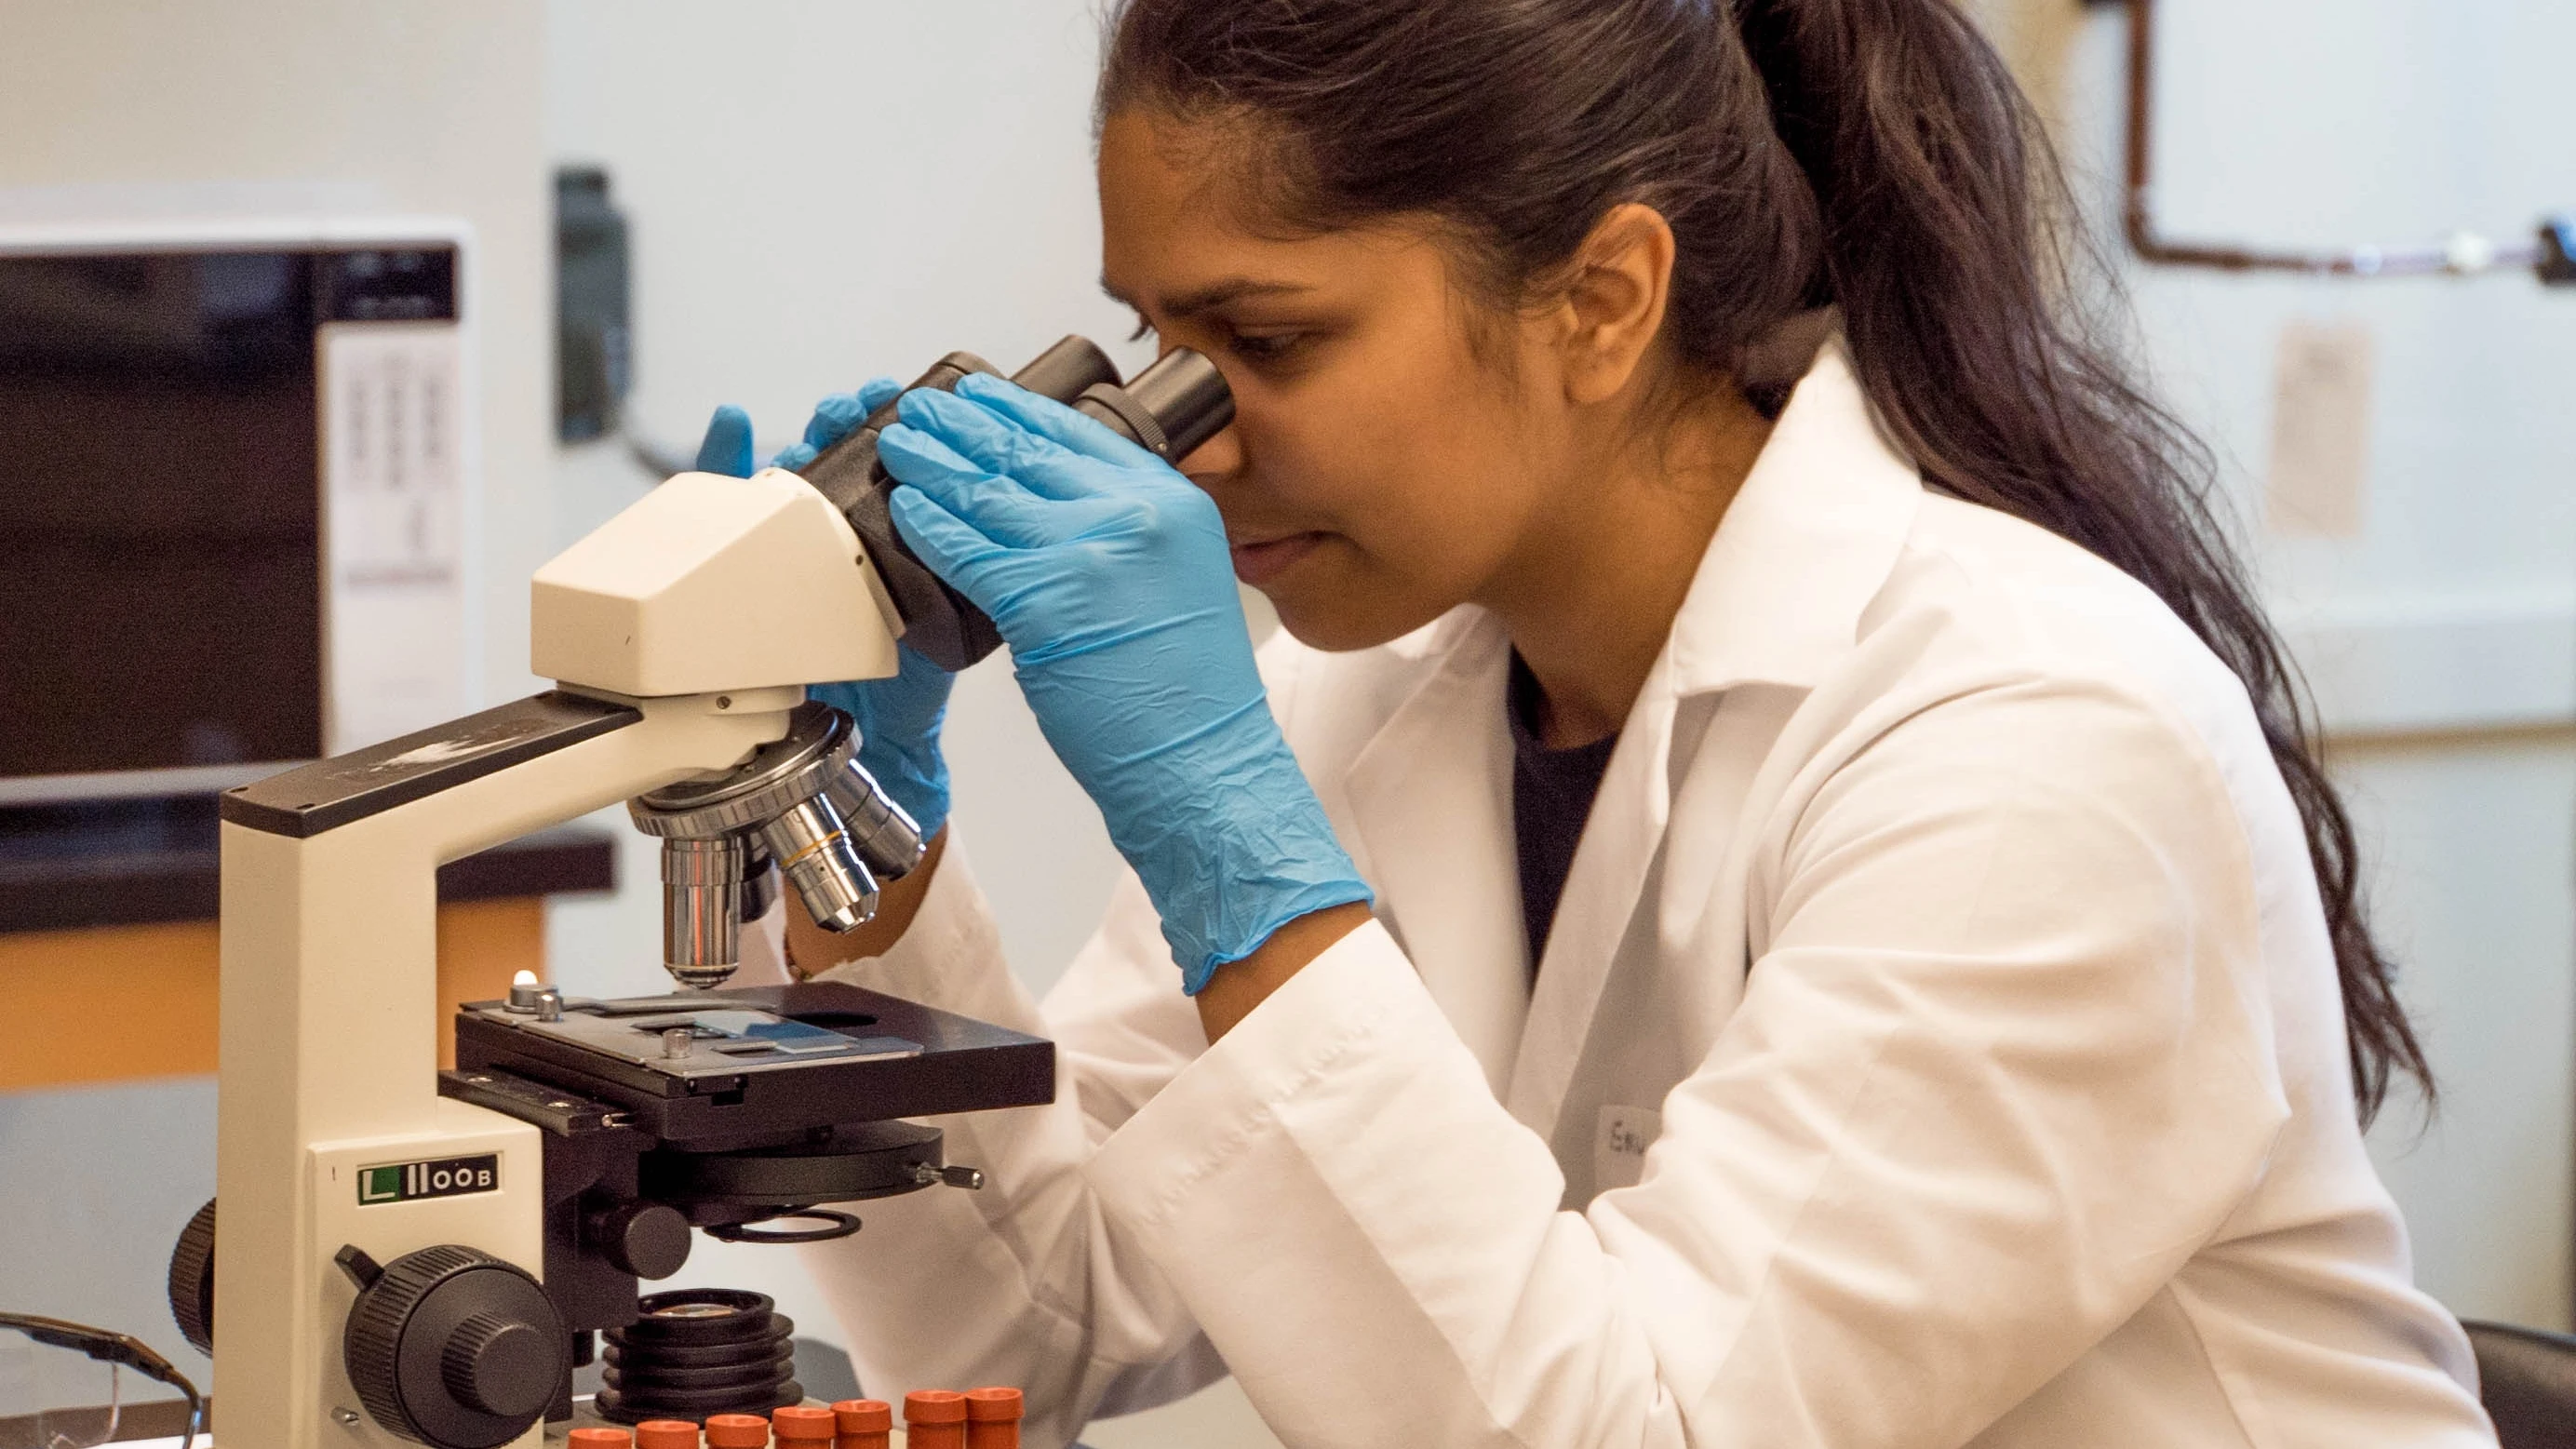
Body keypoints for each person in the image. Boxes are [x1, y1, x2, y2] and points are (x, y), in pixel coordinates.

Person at [691, 1, 2497, 1444]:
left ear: (1602, 298)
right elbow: (1049, 1321)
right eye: (1149, 335)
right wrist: (857, 830)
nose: (1177, 432)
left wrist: (1226, 841)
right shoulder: (1375, 689)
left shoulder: (2031, 737)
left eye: (1267, 338)